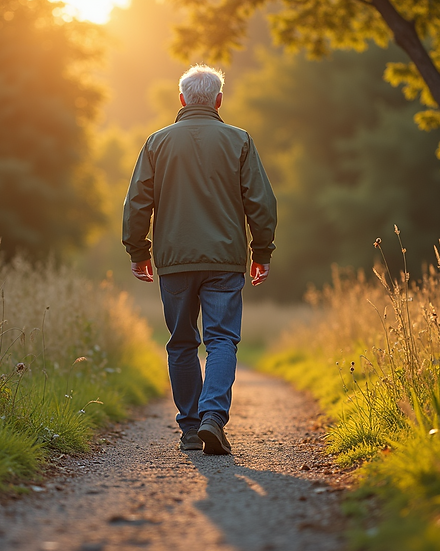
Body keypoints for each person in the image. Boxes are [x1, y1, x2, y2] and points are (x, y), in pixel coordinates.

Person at [121, 64, 277, 455]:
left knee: (181, 342)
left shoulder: (156, 142)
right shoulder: (239, 140)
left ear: (182, 99)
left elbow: (137, 202)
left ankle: (191, 429)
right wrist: (262, 251)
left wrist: (139, 251)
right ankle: (212, 417)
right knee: (221, 339)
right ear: (219, 100)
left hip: (173, 261)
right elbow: (261, 202)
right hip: (224, 260)